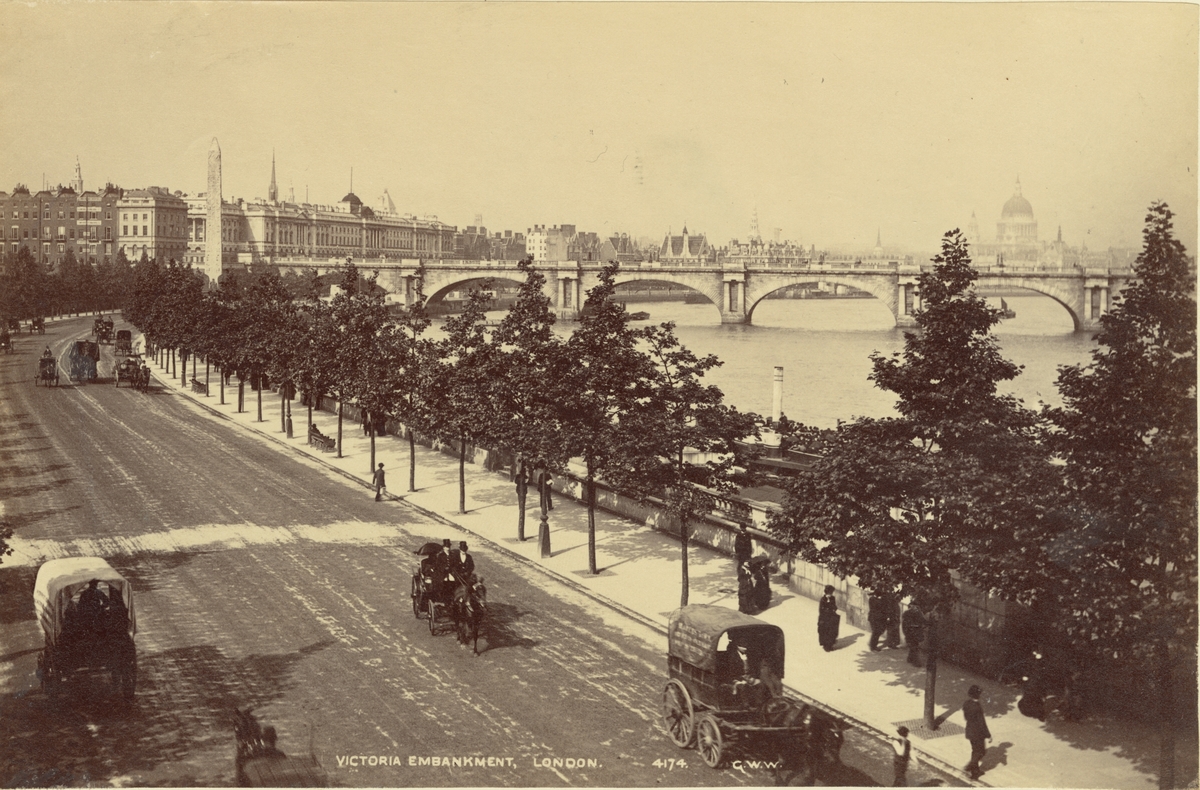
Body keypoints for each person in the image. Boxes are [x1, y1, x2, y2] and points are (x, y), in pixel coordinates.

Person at [961, 684, 992, 780]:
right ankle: (972, 768)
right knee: (980, 751)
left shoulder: (966, 704)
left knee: (975, 750)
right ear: (978, 695)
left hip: (970, 731)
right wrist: (988, 735)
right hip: (978, 733)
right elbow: (982, 723)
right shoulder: (977, 707)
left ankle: (975, 770)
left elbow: (966, 717)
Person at [817, 585, 840, 651]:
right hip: (824, 618)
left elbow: (835, 607)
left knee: (832, 631)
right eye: (829, 593)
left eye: (831, 593)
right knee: (825, 632)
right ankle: (826, 646)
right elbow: (821, 610)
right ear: (826, 593)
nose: (830, 594)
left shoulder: (833, 598)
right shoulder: (823, 599)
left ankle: (830, 645)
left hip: (831, 617)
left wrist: (832, 607)